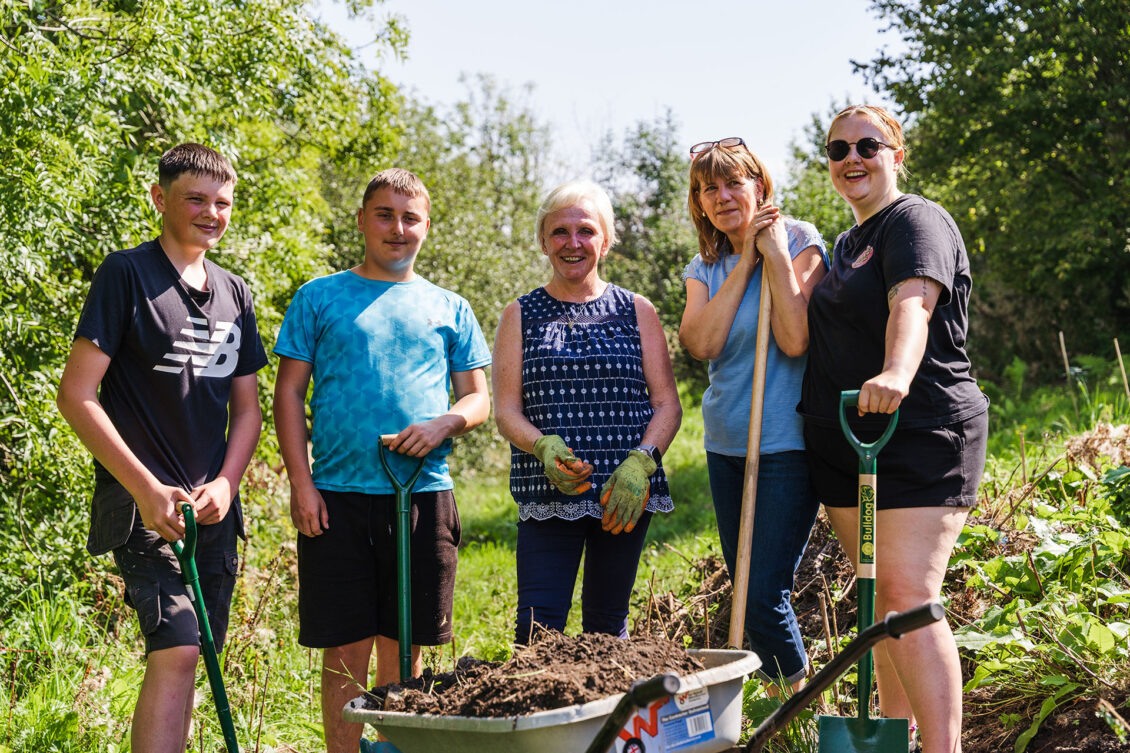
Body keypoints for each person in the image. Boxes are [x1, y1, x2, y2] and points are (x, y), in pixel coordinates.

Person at [56, 143, 267, 753]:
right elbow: (77, 395)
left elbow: (248, 409)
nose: (212, 212)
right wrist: (144, 489)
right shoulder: (127, 275)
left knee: (196, 652)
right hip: (146, 507)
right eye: (195, 199)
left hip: (212, 509)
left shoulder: (236, 293)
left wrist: (228, 483)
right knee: (175, 645)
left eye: (223, 202)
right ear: (159, 199)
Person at [273, 167, 491, 753]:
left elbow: (478, 398)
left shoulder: (449, 306)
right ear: (363, 221)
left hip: (419, 493)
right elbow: (289, 393)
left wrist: (447, 420)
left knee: (405, 645)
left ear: (426, 226)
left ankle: (397, 746)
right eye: (385, 215)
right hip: (336, 497)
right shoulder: (319, 297)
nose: (398, 228)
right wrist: (302, 482)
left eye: (410, 217)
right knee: (344, 650)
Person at [799, 105, 989, 753]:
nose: (852, 157)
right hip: (854, 443)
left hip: (920, 428)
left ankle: (942, 747)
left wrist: (897, 373)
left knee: (907, 594)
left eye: (867, 144)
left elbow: (913, 303)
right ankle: (892, 738)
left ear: (896, 153)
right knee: (882, 601)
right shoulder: (848, 242)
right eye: (837, 148)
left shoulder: (915, 220)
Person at [493, 179, 682, 645]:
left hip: (623, 495)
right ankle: (540, 718)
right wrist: (540, 444)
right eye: (559, 232)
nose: (572, 243)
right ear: (543, 241)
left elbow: (666, 404)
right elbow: (506, 411)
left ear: (606, 239)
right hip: (547, 493)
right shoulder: (520, 314)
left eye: (586, 231)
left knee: (606, 627)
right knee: (537, 631)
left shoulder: (637, 310)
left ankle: (604, 719)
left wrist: (643, 460)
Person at [678, 138, 828, 689]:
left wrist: (775, 256)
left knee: (764, 595)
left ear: (759, 186)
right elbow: (702, 343)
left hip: (786, 442)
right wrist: (743, 264)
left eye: (732, 183)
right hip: (726, 443)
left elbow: (795, 339)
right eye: (707, 188)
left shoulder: (801, 240)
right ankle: (771, 710)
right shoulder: (705, 266)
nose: (721, 196)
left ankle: (803, 704)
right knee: (742, 587)